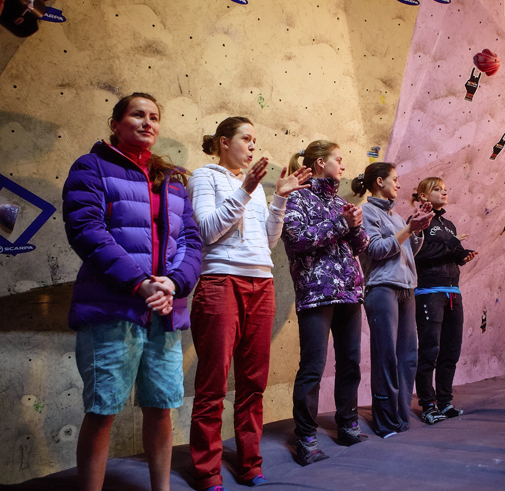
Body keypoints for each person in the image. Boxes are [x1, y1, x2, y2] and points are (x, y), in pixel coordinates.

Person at [62, 92, 202, 491]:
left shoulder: (172, 179)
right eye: (137, 115)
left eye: (154, 117)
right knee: (102, 411)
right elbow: (88, 231)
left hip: (164, 311)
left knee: (161, 409)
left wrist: (173, 284)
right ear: (115, 123)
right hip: (112, 311)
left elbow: (191, 242)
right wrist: (140, 283)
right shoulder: (92, 168)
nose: (147, 122)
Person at [187, 117, 312, 491]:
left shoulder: (255, 188)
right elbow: (208, 230)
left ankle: (250, 463)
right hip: (221, 281)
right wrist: (246, 188)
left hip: (262, 283)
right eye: (246, 138)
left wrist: (280, 198)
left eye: (256, 140)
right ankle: (207, 470)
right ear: (224, 142)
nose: (253, 146)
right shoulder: (204, 177)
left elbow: (269, 242)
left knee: (253, 383)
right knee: (212, 384)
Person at [281, 140, 370, 465]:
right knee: (313, 367)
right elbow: (297, 240)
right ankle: (305, 438)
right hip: (317, 293)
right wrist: (341, 224)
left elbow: (358, 247)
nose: (343, 167)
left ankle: (347, 424)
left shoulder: (339, 203)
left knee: (350, 363)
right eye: (338, 160)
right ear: (319, 163)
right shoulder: (296, 197)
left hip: (349, 292)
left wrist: (356, 226)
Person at [352, 162, 433, 438]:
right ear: (378, 182)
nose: (399, 184)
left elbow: (409, 250)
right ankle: (386, 421)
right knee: (386, 357)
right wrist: (409, 229)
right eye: (394, 179)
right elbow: (375, 250)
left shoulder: (397, 217)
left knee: (407, 357)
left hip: (407, 288)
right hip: (382, 288)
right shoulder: (366, 212)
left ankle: (400, 417)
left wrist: (417, 229)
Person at [411, 177, 477, 425]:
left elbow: (451, 252)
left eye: (445, 189)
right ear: (424, 196)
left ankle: (445, 402)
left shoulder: (448, 225)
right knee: (430, 350)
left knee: (451, 351)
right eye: (438, 189)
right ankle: (428, 405)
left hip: (453, 293)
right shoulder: (417, 221)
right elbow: (420, 253)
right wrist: (450, 246)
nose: (444, 192)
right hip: (429, 292)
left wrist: (463, 254)